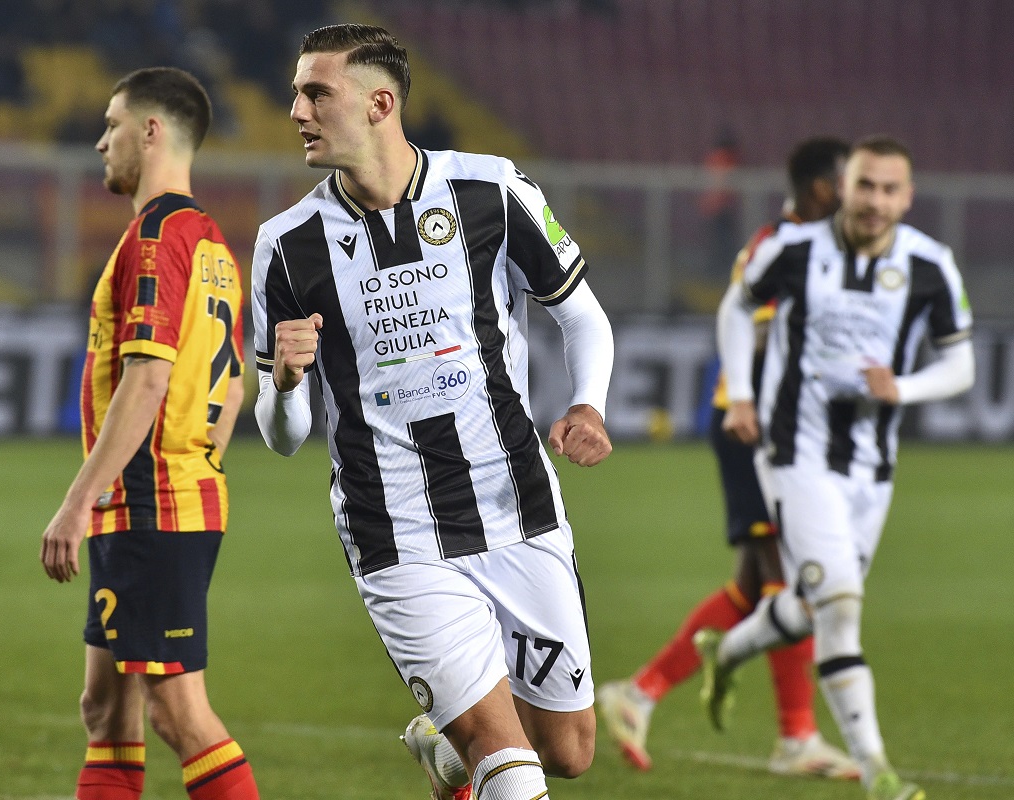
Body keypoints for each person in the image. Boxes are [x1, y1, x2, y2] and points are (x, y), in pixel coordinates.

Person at [252, 23, 614, 800]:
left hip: (516, 502)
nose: (296, 111)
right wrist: (283, 383)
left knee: (569, 749)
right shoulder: (287, 247)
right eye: (295, 92)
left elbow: (581, 315)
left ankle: (443, 753)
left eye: (317, 92)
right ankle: (471, 748)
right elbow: (282, 438)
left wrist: (588, 403)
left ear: (380, 103)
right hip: (396, 529)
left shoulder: (491, 191)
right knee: (506, 761)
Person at [699, 135, 975, 800]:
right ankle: (877, 770)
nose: (875, 201)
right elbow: (736, 304)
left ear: (907, 197)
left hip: (871, 468)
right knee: (842, 606)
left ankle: (727, 650)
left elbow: (959, 363)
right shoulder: (794, 250)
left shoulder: (931, 266)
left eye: (889, 190)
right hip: (793, 453)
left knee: (807, 606)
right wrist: (740, 392)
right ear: (842, 189)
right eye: (865, 186)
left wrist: (901, 390)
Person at [597, 137, 859, 779]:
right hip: (753, 426)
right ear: (823, 188)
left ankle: (638, 693)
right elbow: (755, 327)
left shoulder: (814, 251)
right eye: (850, 183)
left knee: (752, 590)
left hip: (776, 426)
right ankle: (795, 738)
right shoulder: (781, 249)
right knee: (793, 582)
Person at [39, 67, 258, 800]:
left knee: (178, 714)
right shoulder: (212, 246)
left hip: (147, 506)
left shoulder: (157, 236)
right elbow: (235, 381)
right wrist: (201, 463)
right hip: (166, 500)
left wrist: (78, 501)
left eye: (112, 125)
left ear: (152, 131)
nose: (102, 142)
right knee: (106, 709)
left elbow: (149, 378)